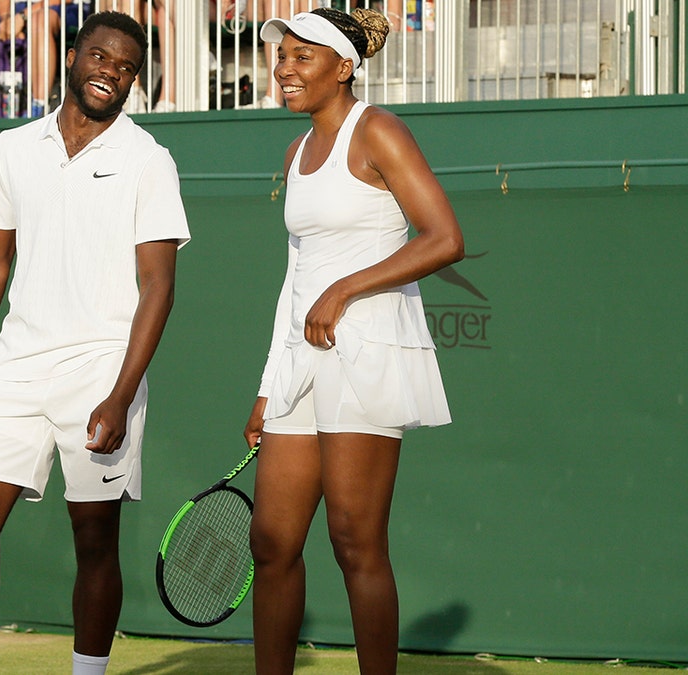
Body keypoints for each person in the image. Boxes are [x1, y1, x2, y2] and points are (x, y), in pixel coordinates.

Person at [0, 11, 189, 675]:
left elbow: (158, 286)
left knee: (94, 541)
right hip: (16, 371)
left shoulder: (148, 160)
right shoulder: (13, 148)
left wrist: (121, 393)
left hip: (103, 374)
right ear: (73, 55)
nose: (111, 73)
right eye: (101, 57)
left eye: (126, 67)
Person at [245, 8, 463, 674]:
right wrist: (265, 385)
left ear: (345, 67)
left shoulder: (381, 132)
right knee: (272, 541)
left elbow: (444, 237)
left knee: (353, 538)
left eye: (302, 57)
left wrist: (345, 290)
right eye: (281, 56)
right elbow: (295, 277)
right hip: (301, 362)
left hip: (368, 352)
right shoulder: (295, 152)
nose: (284, 68)